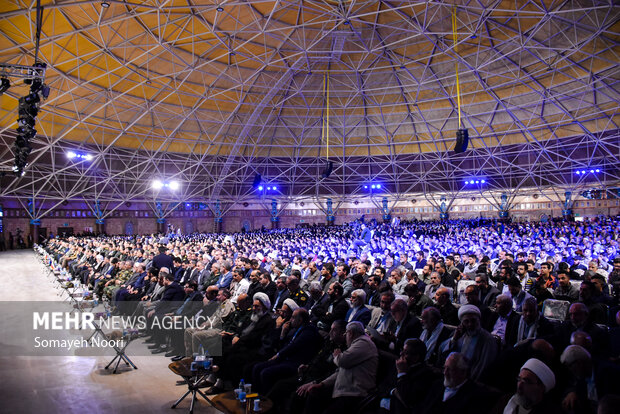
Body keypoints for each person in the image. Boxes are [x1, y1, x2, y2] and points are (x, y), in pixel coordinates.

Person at [298, 321, 378, 414]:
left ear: (350, 333)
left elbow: (341, 361)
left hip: (353, 393)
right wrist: (322, 384)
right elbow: (339, 371)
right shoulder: (357, 345)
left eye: (346, 334)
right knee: (313, 396)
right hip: (343, 389)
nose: (345, 337)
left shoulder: (363, 342)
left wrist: (337, 356)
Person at [442, 304, 498, 380]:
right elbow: (442, 352)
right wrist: (454, 339)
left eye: (473, 320)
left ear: (479, 320)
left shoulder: (487, 339)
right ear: (461, 323)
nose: (470, 324)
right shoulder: (459, 334)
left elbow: (483, 366)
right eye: (466, 321)